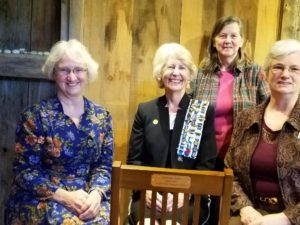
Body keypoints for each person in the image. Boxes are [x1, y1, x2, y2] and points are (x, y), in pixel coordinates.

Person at [5, 39, 113, 224]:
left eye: (78, 70)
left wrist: (96, 195)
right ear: (54, 73)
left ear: (88, 73)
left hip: (87, 197)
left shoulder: (102, 117)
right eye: (64, 70)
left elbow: (103, 167)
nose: (72, 77)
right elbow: (25, 171)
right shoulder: (35, 116)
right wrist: (63, 196)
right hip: (45, 197)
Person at [127, 42, 217, 225]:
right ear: (161, 73)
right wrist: (147, 192)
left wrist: (185, 194)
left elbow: (206, 164)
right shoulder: (145, 111)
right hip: (149, 192)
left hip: (190, 196)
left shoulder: (201, 111)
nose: (176, 73)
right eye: (170, 67)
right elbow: (135, 160)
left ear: (189, 74)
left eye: (182, 68)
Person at [224, 39, 300, 225]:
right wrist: (245, 208)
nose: (285, 74)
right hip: (249, 216)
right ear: (266, 74)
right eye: (278, 67)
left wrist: (284, 219)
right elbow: (229, 170)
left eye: (294, 69)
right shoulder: (246, 118)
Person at [193, 16, 270, 169]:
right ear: (214, 42)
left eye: (233, 36)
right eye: (222, 36)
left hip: (241, 156)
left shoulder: (254, 73)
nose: (227, 40)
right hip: (203, 156)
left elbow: (269, 108)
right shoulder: (200, 74)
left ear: (241, 41)